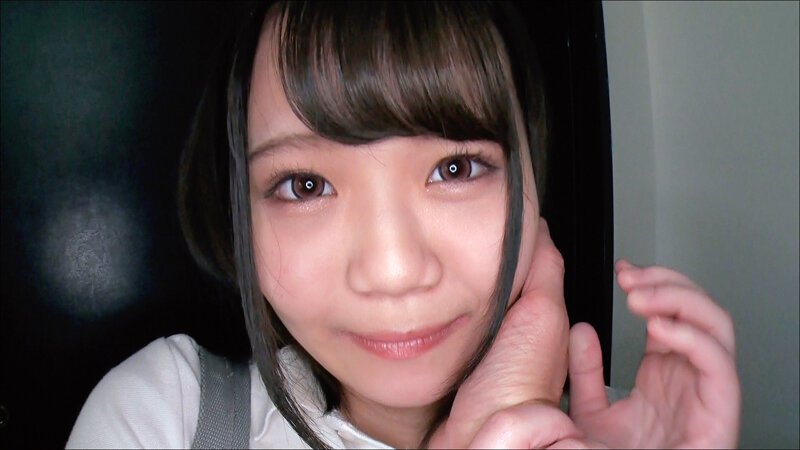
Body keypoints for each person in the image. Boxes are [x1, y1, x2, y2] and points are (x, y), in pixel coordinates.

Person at [67, 2, 741, 448]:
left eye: (455, 168)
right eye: (306, 185)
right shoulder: (165, 421)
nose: (392, 271)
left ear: (531, 181)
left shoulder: (630, 433)